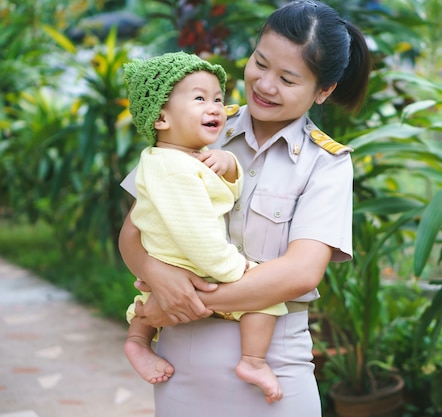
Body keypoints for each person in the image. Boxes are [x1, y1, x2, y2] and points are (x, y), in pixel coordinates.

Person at [118, 1, 371, 415]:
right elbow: (133, 233)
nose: (265, 85)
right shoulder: (201, 124)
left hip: (274, 363)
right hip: (181, 360)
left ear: (323, 91)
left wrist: (184, 299)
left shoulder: (325, 164)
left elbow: (301, 271)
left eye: (288, 78)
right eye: (260, 62)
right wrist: (156, 275)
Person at [121, 51, 287, 403]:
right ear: (161, 118)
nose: (215, 108)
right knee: (266, 300)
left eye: (217, 98)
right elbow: (194, 230)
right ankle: (253, 361)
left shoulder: (181, 158)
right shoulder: (173, 169)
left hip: (177, 264)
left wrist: (228, 166)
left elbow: (219, 197)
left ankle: (137, 341)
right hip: (193, 262)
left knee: (147, 304)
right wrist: (231, 267)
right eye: (199, 99)